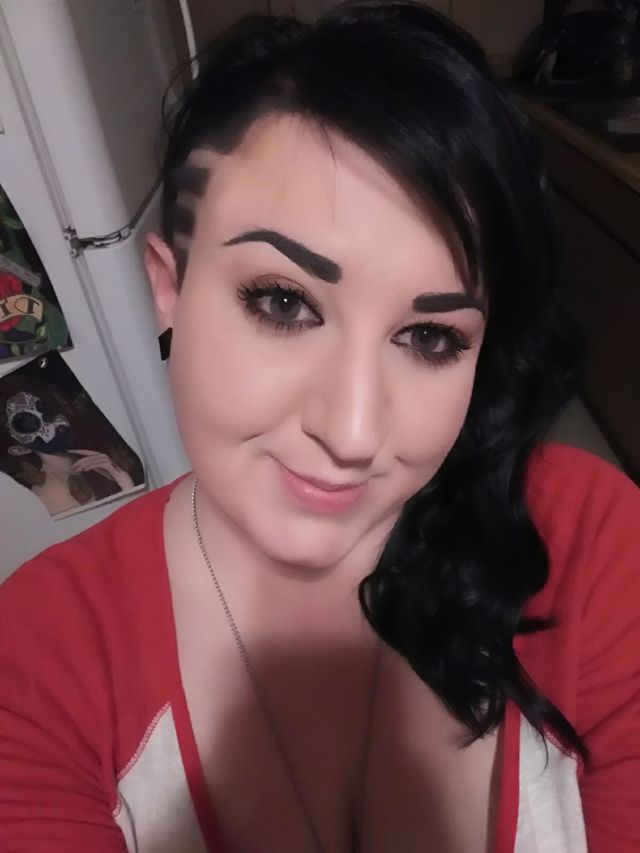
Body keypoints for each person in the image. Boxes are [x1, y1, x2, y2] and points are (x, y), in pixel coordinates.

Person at [1, 2, 638, 851]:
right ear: (170, 286)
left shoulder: (585, 540)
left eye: (430, 336)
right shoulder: (39, 657)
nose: (353, 430)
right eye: (283, 301)